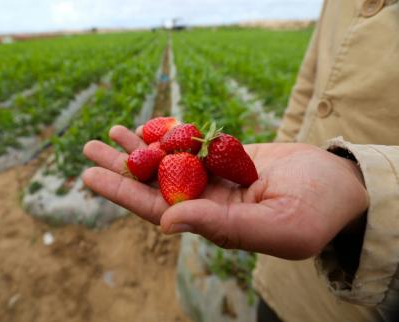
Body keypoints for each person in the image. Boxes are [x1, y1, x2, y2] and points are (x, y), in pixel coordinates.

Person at [81, 0, 399, 321]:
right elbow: (308, 87)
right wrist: (284, 152)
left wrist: (369, 188)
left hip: (373, 300)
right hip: (281, 280)